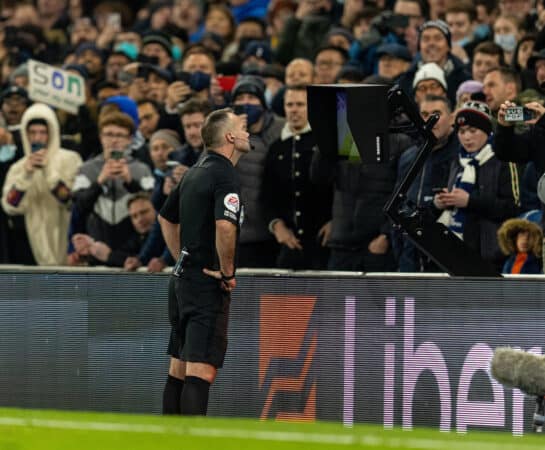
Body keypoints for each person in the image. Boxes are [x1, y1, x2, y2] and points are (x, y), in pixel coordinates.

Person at [158, 108, 250, 416]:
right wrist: (226, 272)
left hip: (182, 280)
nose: (247, 133)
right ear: (230, 137)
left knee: (180, 366)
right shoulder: (224, 174)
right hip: (205, 284)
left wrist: (182, 257)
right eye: (242, 127)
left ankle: (168, 442)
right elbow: (225, 226)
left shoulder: (194, 171)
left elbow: (166, 218)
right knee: (201, 371)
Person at [434, 101, 520, 269]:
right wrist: (439, 203)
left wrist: (470, 202)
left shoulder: (503, 160)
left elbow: (512, 208)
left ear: (487, 132)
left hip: (493, 255)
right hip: (457, 251)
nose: (467, 137)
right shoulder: (456, 161)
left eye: (473, 131)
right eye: (462, 131)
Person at [2, 103, 82, 265]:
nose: (37, 138)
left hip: (67, 239)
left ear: (51, 132)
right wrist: (26, 175)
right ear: (25, 134)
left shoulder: (70, 159)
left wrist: (49, 172)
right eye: (32, 132)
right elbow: (10, 206)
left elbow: (70, 200)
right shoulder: (18, 168)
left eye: (42, 132)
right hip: (32, 243)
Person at [262, 85, 332, 269]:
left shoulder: (326, 142)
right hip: (287, 245)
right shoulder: (276, 148)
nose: (294, 109)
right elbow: (266, 194)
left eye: (300, 104)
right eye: (290, 104)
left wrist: (335, 222)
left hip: (324, 242)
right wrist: (276, 226)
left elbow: (342, 187)